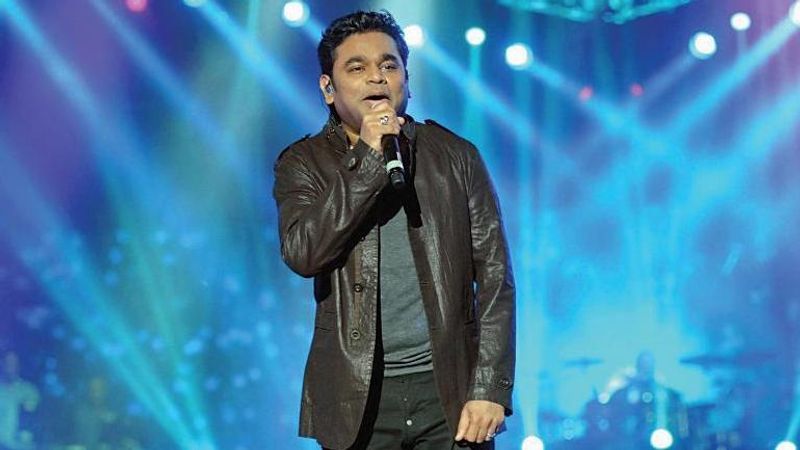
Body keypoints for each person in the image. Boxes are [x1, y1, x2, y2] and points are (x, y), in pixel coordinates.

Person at [273, 10, 516, 450]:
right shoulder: (303, 163)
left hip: (450, 392)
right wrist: (369, 159)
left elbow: (496, 276)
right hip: (356, 398)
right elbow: (304, 253)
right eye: (357, 68)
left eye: (389, 65)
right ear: (328, 88)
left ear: (407, 78)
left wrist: (490, 387)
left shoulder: (456, 156)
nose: (376, 77)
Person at [0, 352, 39, 450]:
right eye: (7, 363)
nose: (10, 367)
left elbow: (33, 419)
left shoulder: (29, 391)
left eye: (14, 363)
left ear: (19, 366)